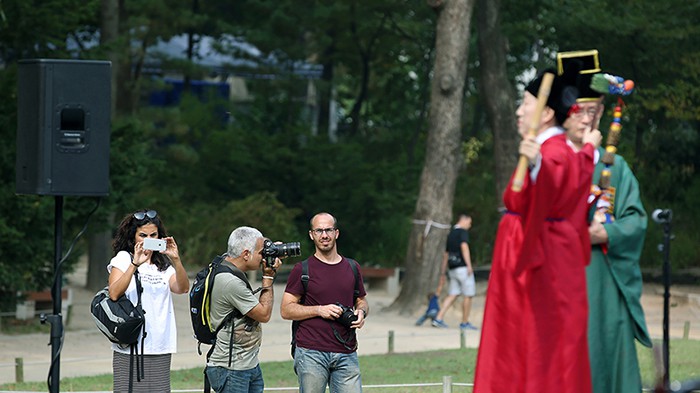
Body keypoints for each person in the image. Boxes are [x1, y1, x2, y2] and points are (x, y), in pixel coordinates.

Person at [473, 65, 602, 393]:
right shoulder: (556, 148)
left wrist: (536, 165)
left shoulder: (553, 152)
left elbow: (555, 183)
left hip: (536, 256)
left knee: (532, 344)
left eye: (525, 103)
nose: (519, 111)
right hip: (527, 249)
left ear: (546, 113)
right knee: (522, 343)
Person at [559, 50, 652, 393]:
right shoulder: (553, 161)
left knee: (605, 346)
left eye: (592, 111)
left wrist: (606, 233)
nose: (586, 119)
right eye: (578, 111)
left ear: (602, 113)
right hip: (562, 274)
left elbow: (636, 221)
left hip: (603, 276)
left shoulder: (617, 168)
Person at [280, 212, 369, 393]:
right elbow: (286, 310)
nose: (324, 235)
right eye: (319, 231)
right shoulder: (302, 269)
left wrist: (362, 312)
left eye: (328, 230)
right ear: (311, 235)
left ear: (337, 233)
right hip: (311, 351)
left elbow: (362, 301)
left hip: (347, 351)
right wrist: (319, 310)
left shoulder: (352, 267)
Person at [107, 209, 190, 392]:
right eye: (142, 235)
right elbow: (114, 293)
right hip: (131, 344)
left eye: (153, 235)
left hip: (160, 343)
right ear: (133, 237)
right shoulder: (123, 259)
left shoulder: (163, 264)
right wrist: (135, 264)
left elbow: (182, 288)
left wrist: (176, 260)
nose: (148, 239)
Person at [204, 226, 282, 393]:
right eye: (262, 253)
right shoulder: (229, 281)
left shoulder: (225, 263)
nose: (263, 258)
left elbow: (247, 243)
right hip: (231, 368)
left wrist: (269, 247)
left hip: (247, 363)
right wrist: (268, 276)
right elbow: (264, 314)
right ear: (246, 254)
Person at [432, 214, 477, 330]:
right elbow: (464, 247)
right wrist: (469, 265)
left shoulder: (451, 234)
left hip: (452, 268)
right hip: (462, 267)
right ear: (464, 220)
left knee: (453, 294)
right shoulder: (462, 232)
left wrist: (443, 271)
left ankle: (439, 318)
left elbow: (446, 254)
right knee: (469, 294)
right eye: (469, 223)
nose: (470, 226)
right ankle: (465, 322)